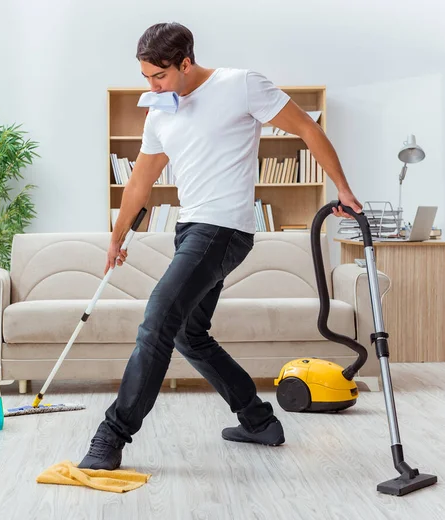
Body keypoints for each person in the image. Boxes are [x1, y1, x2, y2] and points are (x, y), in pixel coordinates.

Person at [79, 22, 362, 470]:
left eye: (160, 76)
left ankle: (111, 436)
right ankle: (257, 420)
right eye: (146, 77)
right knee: (189, 334)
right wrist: (116, 239)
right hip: (191, 229)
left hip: (225, 229)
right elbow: (140, 182)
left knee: (157, 321)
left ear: (186, 62)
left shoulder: (240, 85)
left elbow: (307, 128)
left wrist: (343, 189)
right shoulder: (160, 113)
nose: (152, 86)